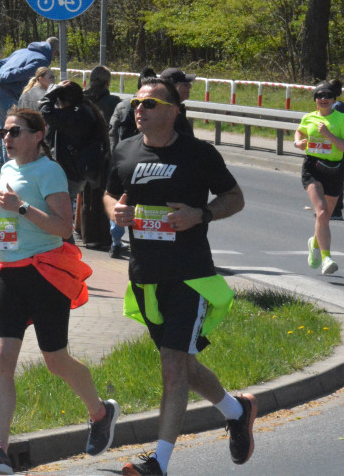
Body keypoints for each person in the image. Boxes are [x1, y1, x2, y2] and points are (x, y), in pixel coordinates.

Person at [104, 76, 253, 476]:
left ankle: (160, 463)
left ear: (172, 111)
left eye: (150, 104)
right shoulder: (124, 151)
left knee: (172, 365)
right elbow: (109, 193)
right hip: (145, 275)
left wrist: (200, 214)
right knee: (182, 364)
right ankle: (237, 412)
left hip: (190, 275)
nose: (140, 109)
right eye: (137, 102)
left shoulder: (198, 154)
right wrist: (113, 211)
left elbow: (235, 198)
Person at [0, 107, 119, 475]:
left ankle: (100, 412)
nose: (7, 138)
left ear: (38, 135)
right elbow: (13, 214)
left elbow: (64, 227)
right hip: (7, 272)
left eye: (15, 131)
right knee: (0, 359)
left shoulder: (50, 172)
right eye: (4, 132)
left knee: (55, 360)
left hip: (43, 272)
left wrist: (19, 208)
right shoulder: (7, 168)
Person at [294, 79, 344, 276]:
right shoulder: (309, 117)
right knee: (321, 213)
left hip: (335, 170)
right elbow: (299, 131)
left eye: (328, 95)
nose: (324, 99)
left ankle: (314, 242)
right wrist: (298, 143)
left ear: (333, 99)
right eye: (320, 96)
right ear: (315, 99)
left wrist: (328, 134)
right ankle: (327, 257)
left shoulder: (341, 120)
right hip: (313, 168)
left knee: (325, 216)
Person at [39, 80, 110, 245]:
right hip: (75, 170)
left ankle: (65, 250)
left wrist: (51, 93)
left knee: (61, 216)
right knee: (62, 214)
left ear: (64, 100)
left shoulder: (76, 114)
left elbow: (46, 113)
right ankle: (64, 246)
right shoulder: (84, 110)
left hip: (71, 172)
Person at [0, 37, 60, 166]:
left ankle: (3, 166)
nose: (55, 57)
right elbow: (21, 73)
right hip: (4, 93)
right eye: (56, 54)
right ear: (54, 51)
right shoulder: (42, 60)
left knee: (2, 132)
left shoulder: (21, 51)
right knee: (10, 134)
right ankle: (9, 171)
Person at [108, 67, 156, 257]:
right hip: (145, 160)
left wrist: (116, 157)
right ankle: (142, 242)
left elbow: (112, 132)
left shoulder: (123, 105)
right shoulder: (156, 107)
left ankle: (116, 242)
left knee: (121, 201)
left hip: (125, 160)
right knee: (141, 202)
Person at [82, 66, 123, 253]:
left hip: (84, 152)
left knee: (87, 195)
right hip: (105, 154)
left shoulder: (82, 99)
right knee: (108, 194)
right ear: (108, 82)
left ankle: (88, 236)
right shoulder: (114, 102)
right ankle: (105, 237)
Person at [328, 79, 344, 220]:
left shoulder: (337, 106)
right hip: (332, 146)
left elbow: (336, 126)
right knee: (328, 178)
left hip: (339, 146)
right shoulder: (332, 105)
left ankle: (336, 210)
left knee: (336, 178)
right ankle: (330, 209)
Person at [158, 67, 196, 137]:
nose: (190, 86)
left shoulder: (173, 111)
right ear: (173, 87)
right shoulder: (170, 116)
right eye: (185, 84)